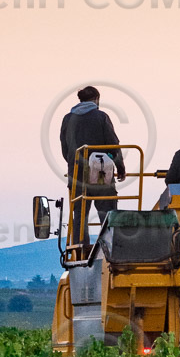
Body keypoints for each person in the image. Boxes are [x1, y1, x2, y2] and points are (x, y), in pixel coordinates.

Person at [60, 86, 125, 245]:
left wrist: (74, 165)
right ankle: (109, 245)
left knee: (80, 213)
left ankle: (80, 247)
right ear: (97, 99)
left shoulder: (67, 119)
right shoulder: (101, 117)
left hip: (76, 172)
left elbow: (65, 148)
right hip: (101, 171)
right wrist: (120, 167)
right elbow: (113, 144)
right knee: (106, 209)